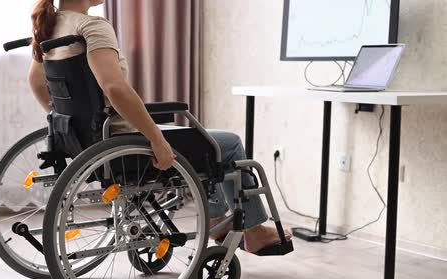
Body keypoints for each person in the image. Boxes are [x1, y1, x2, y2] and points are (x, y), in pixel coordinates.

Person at [27, 0, 291, 253]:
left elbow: (36, 82)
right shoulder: (90, 26)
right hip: (124, 139)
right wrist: (156, 139)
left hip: (89, 140)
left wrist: (63, 119)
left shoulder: (51, 25)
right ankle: (253, 232)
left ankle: (216, 221)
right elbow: (114, 88)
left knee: (201, 142)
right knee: (228, 144)